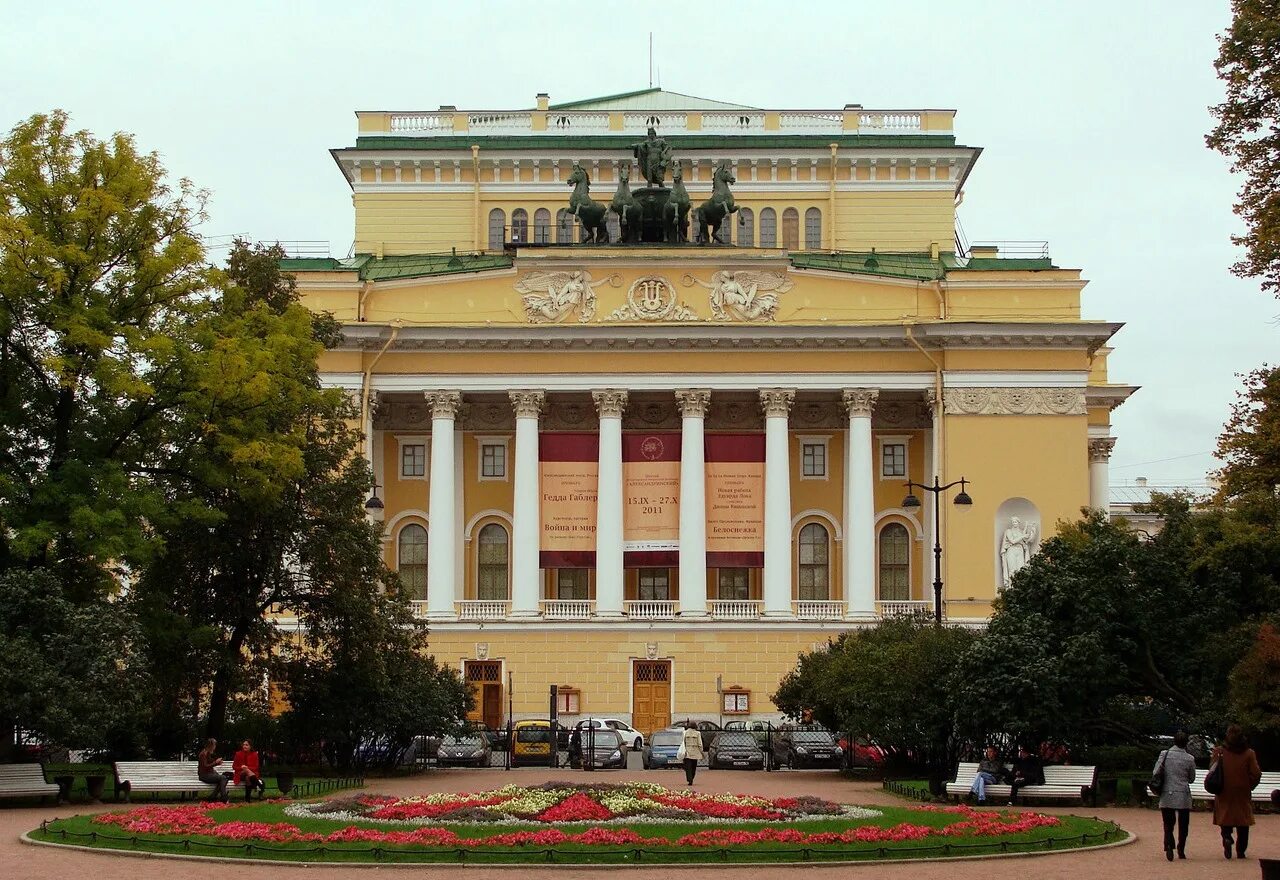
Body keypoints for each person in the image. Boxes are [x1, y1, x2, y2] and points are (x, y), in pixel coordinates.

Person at [1212, 724, 1262, 860]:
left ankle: (1227, 837)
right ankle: (1241, 851)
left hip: (1224, 789)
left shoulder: (1219, 751)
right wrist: (1249, 785)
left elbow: (1212, 770)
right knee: (1243, 821)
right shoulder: (1249, 753)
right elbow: (1256, 773)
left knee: (1224, 815)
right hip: (1242, 790)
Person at [1153, 730, 1197, 861]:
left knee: (1168, 822)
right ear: (1186, 743)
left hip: (1167, 792)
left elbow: (1156, 771)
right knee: (1183, 824)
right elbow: (1192, 778)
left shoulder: (1164, 754)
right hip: (1183, 794)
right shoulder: (1189, 758)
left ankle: (1168, 842)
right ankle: (1181, 849)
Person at [197, 738, 229, 802]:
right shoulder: (203, 754)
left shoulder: (207, 753)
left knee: (223, 779)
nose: (215, 747)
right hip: (204, 776)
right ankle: (224, 797)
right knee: (223, 778)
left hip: (208, 774)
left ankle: (212, 797)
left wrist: (217, 762)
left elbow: (210, 762)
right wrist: (216, 763)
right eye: (214, 745)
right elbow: (205, 766)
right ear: (211, 746)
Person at [680, 721, 704, 786]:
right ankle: (691, 778)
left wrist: (683, 750)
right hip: (695, 751)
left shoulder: (685, 733)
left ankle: (689, 779)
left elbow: (683, 743)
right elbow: (700, 744)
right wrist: (701, 752)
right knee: (693, 766)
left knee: (688, 767)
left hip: (687, 751)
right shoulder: (698, 733)